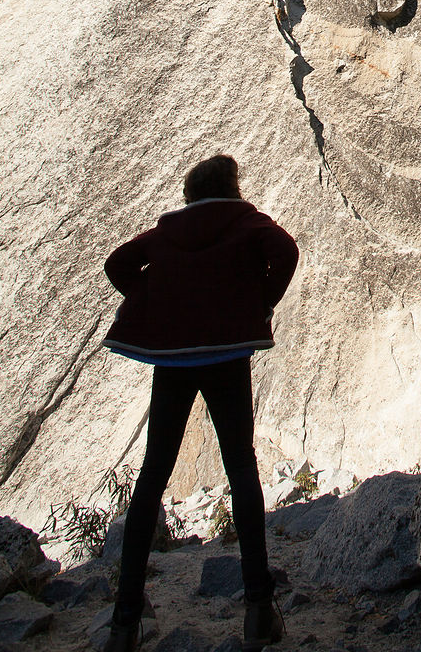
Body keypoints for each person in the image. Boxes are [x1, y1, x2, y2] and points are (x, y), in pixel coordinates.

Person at [101, 153, 299, 652]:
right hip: (228, 355)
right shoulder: (246, 220)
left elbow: (118, 264)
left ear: (190, 191)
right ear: (231, 187)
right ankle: (258, 608)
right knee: (242, 470)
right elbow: (286, 252)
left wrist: (159, 300)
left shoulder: (168, 231)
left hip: (173, 357)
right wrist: (260, 300)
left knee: (152, 477)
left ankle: (125, 622)